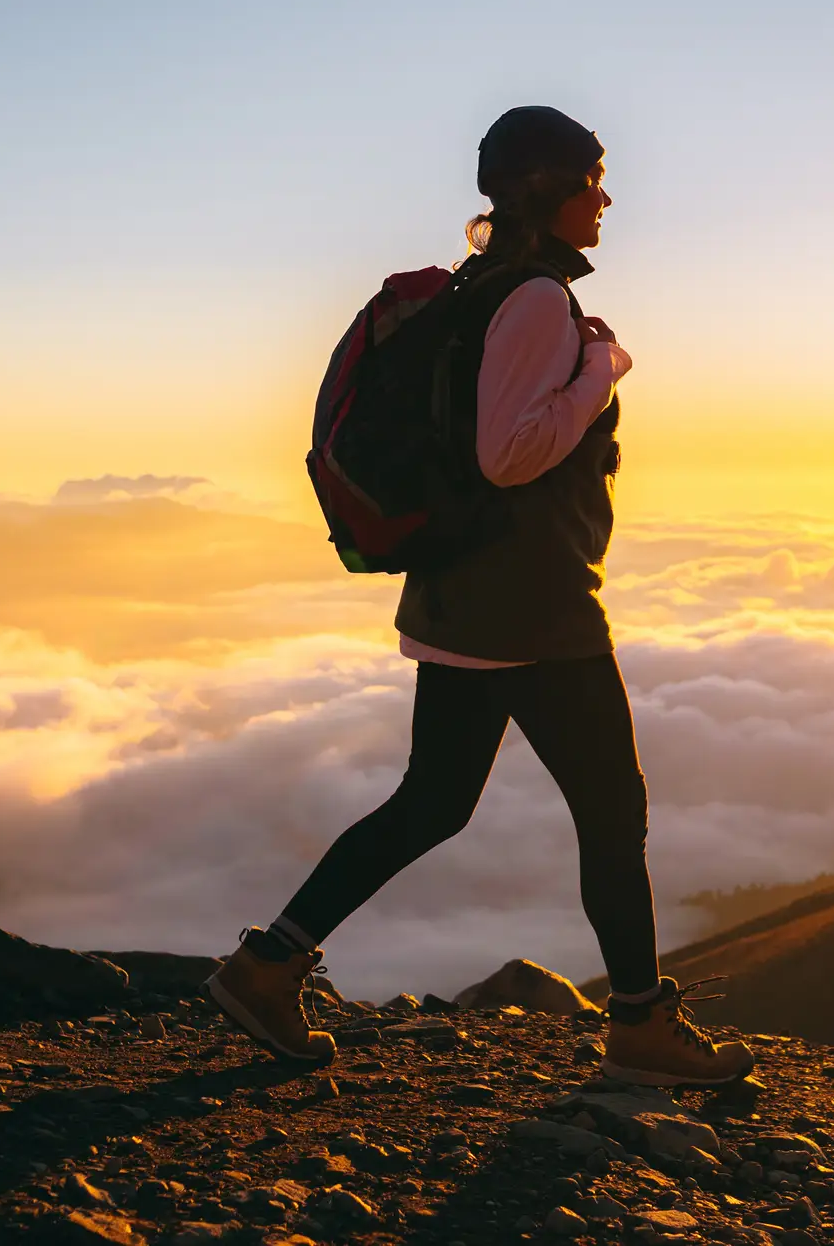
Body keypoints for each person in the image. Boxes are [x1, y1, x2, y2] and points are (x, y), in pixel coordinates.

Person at [203, 106, 754, 1087]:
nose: (607, 196)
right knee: (612, 812)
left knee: (433, 802)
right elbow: (509, 455)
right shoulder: (537, 300)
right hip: (532, 606)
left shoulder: (482, 286)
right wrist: (600, 370)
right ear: (548, 189)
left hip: (466, 597)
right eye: (592, 177)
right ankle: (639, 1024)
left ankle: (269, 962)